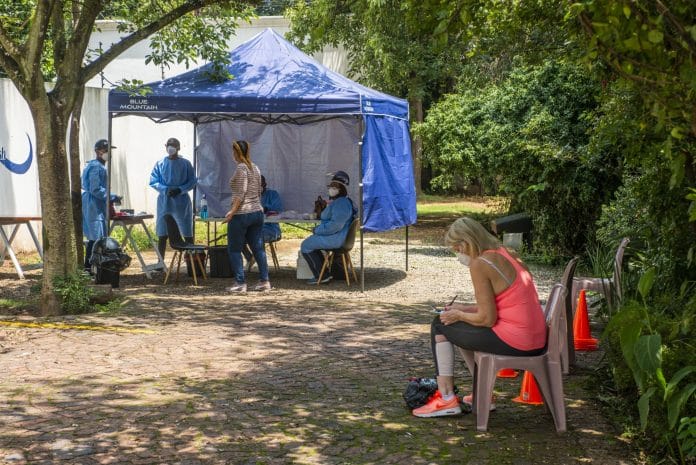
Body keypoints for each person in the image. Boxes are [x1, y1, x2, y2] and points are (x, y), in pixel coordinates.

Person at [412, 217, 547, 418]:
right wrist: (464, 308)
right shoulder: (507, 254)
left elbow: (487, 319)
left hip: (516, 340)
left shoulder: (480, 263)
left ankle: (447, 399)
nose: (458, 254)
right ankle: (481, 394)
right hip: (534, 337)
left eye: (457, 248)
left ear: (467, 242)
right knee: (458, 326)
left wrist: (458, 314)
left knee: (439, 324)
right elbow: (504, 305)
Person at [223, 140, 271, 293]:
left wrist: (232, 212)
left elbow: (240, 193)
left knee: (234, 249)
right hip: (257, 212)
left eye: (233, 151)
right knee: (258, 248)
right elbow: (258, 191)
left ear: (237, 152)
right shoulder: (255, 167)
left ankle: (240, 283)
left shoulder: (241, 168)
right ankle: (264, 281)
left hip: (242, 213)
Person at [300, 170, 356, 285]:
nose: (331, 188)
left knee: (306, 245)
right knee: (311, 243)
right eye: (330, 186)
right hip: (337, 236)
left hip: (337, 238)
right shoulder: (340, 202)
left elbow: (335, 226)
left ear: (342, 189)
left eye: (334, 186)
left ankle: (322, 275)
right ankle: (324, 273)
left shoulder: (342, 203)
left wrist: (317, 230)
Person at [149, 137, 197, 260]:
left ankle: (192, 262)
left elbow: (192, 181)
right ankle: (160, 261)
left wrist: (180, 189)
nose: (170, 148)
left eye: (173, 145)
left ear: (178, 148)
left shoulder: (185, 163)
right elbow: (153, 181)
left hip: (181, 202)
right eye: (168, 145)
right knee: (163, 232)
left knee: (186, 230)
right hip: (165, 201)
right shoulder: (160, 164)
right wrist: (165, 189)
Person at [82, 139, 117, 272]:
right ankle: (88, 268)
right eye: (105, 150)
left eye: (109, 150)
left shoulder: (99, 166)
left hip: (97, 203)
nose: (108, 153)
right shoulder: (96, 166)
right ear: (98, 151)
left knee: (98, 236)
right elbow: (95, 189)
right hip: (93, 204)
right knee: (95, 237)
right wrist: (112, 196)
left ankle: (95, 267)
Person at [243, 175, 283, 269]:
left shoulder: (273, 194)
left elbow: (278, 210)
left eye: (260, 184)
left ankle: (262, 267)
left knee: (258, 236)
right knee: (235, 235)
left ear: (265, 184)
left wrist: (265, 209)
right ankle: (250, 258)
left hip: (270, 229)